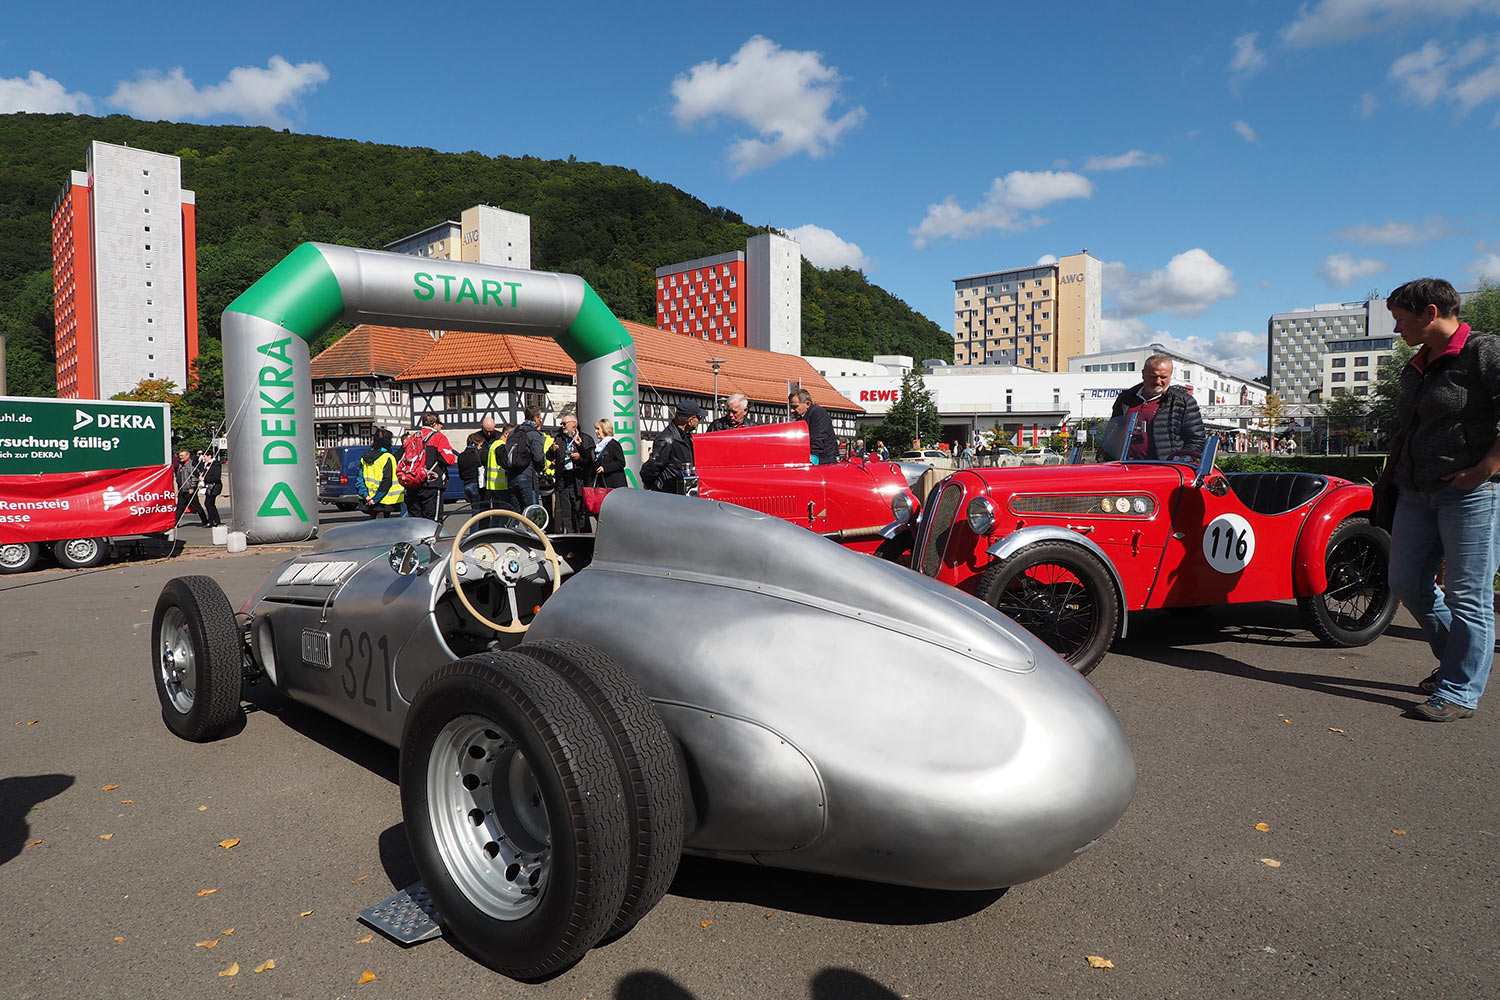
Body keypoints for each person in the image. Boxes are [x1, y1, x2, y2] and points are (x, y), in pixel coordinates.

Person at [1384, 277, 1500, 722]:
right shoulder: (1417, 362)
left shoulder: (1485, 352)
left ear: (1430, 313)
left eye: (1400, 320)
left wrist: (1486, 468)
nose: (1397, 330)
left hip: (1470, 494)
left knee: (1468, 596)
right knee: (1407, 583)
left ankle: (1458, 692)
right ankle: (1458, 661)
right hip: (1415, 492)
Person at [1109, 353, 1204, 460]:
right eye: (1153, 377)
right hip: (1126, 469)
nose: (1158, 381)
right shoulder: (1125, 399)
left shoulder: (1183, 402)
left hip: (1163, 471)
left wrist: (1180, 461)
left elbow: (1196, 440)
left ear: (1170, 375)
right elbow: (1111, 433)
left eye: (1163, 377)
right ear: (1143, 374)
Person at [549, 411, 596, 532]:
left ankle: (583, 538)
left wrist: (579, 458)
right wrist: (551, 450)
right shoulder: (559, 438)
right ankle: (569, 537)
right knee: (566, 513)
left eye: (565, 423)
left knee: (580, 512)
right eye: (561, 423)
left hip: (579, 480)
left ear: (574, 425)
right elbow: (548, 457)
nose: (562, 426)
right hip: (564, 480)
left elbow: (591, 461)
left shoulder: (585, 439)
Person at [405, 412, 458, 521]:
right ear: (434, 424)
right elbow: (449, 459)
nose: (442, 426)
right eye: (440, 423)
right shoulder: (438, 437)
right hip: (431, 483)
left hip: (412, 482)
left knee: (415, 521)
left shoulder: (413, 437)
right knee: (432, 521)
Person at [641, 401, 702, 492]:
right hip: (669, 492)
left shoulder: (685, 436)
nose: (699, 421)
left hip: (682, 490)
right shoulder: (667, 439)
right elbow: (653, 466)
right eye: (699, 417)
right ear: (690, 420)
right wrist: (649, 484)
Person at [505, 404, 547, 514]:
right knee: (532, 512)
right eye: (540, 418)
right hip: (528, 475)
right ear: (536, 418)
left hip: (511, 476)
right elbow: (538, 457)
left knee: (515, 512)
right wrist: (542, 466)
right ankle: (532, 531)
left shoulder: (513, 432)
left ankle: (511, 530)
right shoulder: (534, 434)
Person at [360, 428, 405, 519]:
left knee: (373, 526)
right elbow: (386, 481)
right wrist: (375, 499)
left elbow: (360, 479)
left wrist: (366, 496)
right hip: (384, 501)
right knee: (382, 529)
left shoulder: (365, 457)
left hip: (369, 498)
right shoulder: (388, 457)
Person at [789, 388, 840, 465]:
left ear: (807, 404)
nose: (791, 411)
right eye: (791, 407)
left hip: (825, 462)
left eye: (795, 407)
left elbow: (818, 439)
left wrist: (812, 460)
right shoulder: (801, 418)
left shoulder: (818, 413)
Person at [173, 449, 208, 527]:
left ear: (187, 456)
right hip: (182, 489)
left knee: (197, 506)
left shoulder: (191, 464)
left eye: (182, 456)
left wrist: (192, 487)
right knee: (180, 507)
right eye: (179, 456)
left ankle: (205, 520)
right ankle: (175, 523)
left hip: (189, 489)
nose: (180, 457)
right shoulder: (181, 465)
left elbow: (195, 477)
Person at [594, 418, 628, 488]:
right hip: (603, 484)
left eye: (598, 429)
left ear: (604, 429)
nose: (596, 431)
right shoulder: (598, 446)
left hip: (614, 484)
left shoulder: (613, 444)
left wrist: (605, 468)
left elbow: (621, 463)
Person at [458, 432, 485, 508]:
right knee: (478, 511)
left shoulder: (461, 456)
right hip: (475, 484)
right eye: (480, 445)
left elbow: (461, 474)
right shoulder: (477, 454)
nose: (481, 448)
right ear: (475, 444)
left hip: (466, 485)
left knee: (474, 508)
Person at [200, 449, 223, 528]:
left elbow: (216, 477)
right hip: (208, 487)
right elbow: (195, 464)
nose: (204, 458)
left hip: (214, 487)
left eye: (205, 456)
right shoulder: (206, 464)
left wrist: (205, 479)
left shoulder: (215, 464)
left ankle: (211, 520)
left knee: (208, 503)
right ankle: (216, 520)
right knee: (210, 504)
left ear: (210, 456)